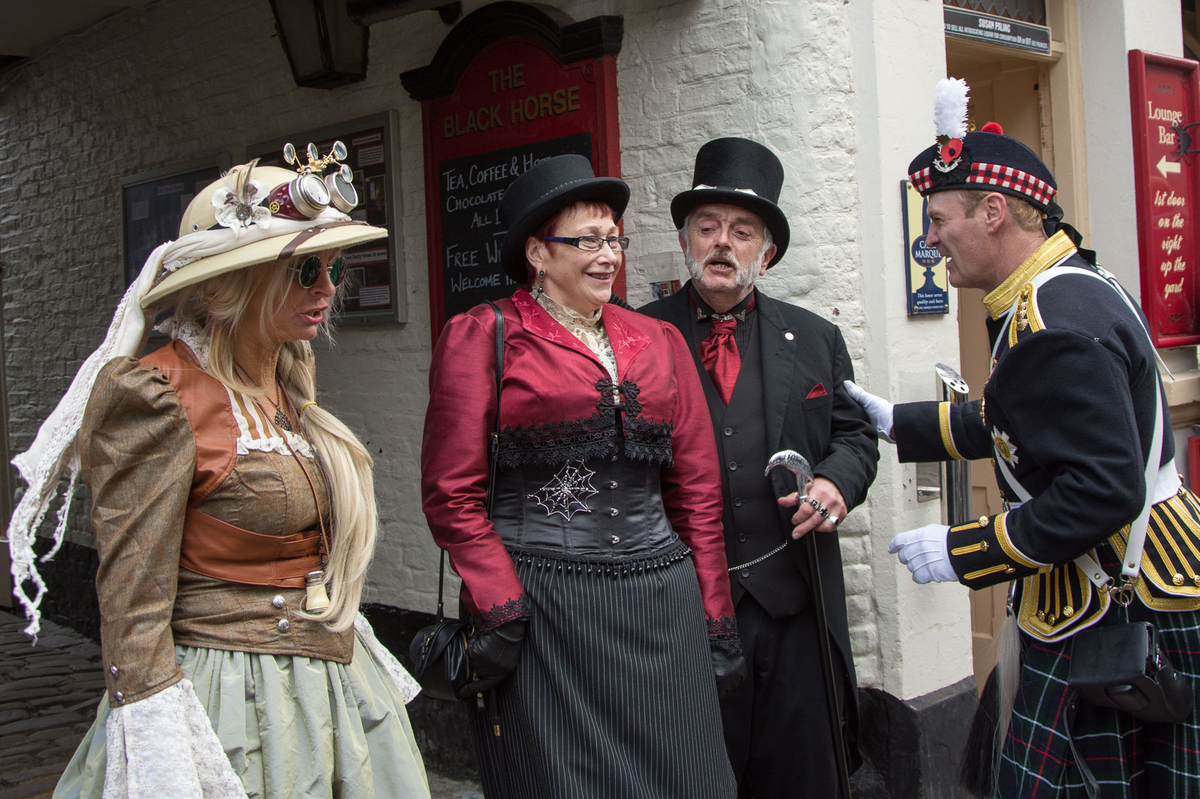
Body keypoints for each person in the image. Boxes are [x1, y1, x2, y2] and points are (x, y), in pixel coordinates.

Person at [5, 155, 430, 797]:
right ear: (232, 280)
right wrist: (158, 747)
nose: (328, 288)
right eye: (306, 269)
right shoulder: (158, 395)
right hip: (230, 697)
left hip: (324, 680)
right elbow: (131, 600)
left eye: (335, 267)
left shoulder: (284, 378)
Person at [847, 79, 1200, 797]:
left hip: (1116, 599)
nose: (931, 238)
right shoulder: (1069, 285)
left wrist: (964, 549)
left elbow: (1101, 489)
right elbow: (1026, 422)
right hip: (1117, 584)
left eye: (940, 219)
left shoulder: (1053, 318)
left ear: (994, 212)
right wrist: (900, 421)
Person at [420, 154, 743, 799]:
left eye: (613, 240)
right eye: (587, 241)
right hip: (546, 604)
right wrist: (501, 606)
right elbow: (451, 495)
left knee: (687, 778)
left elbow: (698, 493)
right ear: (538, 254)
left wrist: (714, 614)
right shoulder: (484, 336)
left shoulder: (658, 341)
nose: (607, 256)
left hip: (661, 603)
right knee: (566, 781)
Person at [641, 137, 879, 798]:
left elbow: (856, 434)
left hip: (793, 600)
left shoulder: (816, 339)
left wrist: (836, 480)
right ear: (686, 240)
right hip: (682, 606)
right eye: (707, 227)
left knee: (802, 774)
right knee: (694, 773)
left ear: (766, 253)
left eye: (741, 231)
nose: (722, 243)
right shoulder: (636, 335)